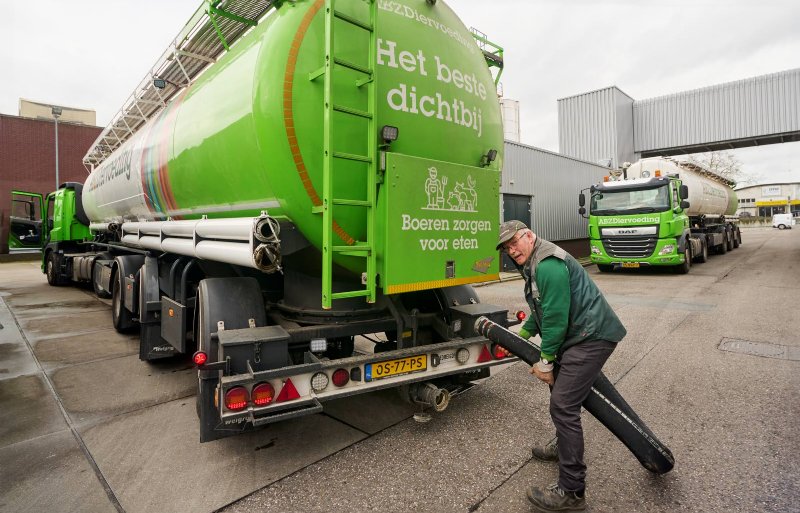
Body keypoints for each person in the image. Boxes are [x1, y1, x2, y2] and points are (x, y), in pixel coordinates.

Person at [496, 220, 627, 512]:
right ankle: (562, 445)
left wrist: (545, 361)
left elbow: (555, 318)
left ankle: (572, 492)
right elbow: (542, 309)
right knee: (560, 392)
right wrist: (523, 334)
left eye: (515, 242)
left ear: (529, 235)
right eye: (507, 248)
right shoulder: (535, 261)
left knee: (563, 404)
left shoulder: (547, 265)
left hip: (591, 336)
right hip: (580, 333)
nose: (512, 250)